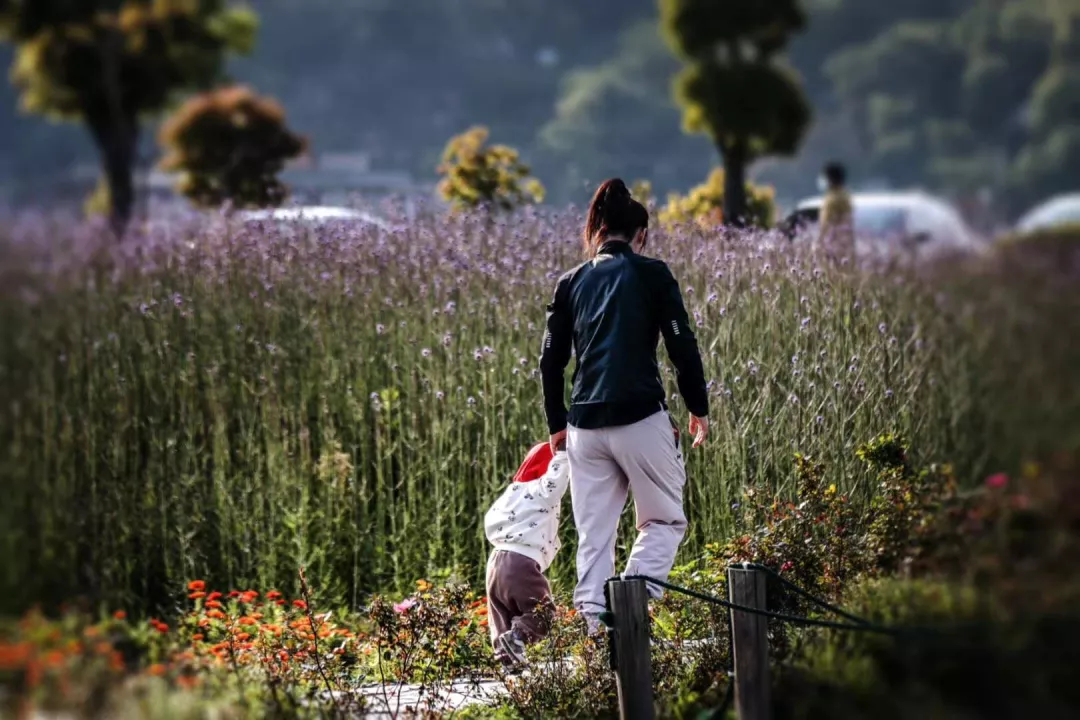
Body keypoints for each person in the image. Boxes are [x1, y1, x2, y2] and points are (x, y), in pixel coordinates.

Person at [539, 178, 710, 633]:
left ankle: (595, 635)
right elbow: (680, 343)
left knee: (594, 540)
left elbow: (550, 360)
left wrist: (557, 424)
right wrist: (698, 406)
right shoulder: (652, 273)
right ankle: (630, 609)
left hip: (583, 426)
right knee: (665, 521)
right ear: (641, 235)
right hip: (639, 417)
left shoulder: (570, 282)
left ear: (599, 229)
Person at [483, 440, 570, 669]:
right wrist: (563, 454)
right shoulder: (540, 489)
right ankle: (518, 638)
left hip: (495, 562)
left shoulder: (510, 494)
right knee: (542, 612)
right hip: (521, 562)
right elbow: (556, 481)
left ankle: (507, 658)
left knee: (502, 615)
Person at [817, 161, 855, 255]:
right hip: (831, 244)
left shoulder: (838, 198)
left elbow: (838, 222)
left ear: (830, 179)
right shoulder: (833, 196)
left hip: (836, 247)